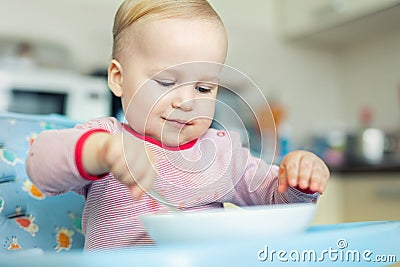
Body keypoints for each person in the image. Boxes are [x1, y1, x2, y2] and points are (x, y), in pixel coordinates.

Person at [26, 0, 330, 250]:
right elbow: (40, 163)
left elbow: (276, 202)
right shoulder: (106, 138)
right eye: (166, 82)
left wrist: (297, 181)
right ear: (118, 78)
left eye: (204, 89)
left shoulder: (222, 153)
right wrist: (98, 152)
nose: (187, 102)